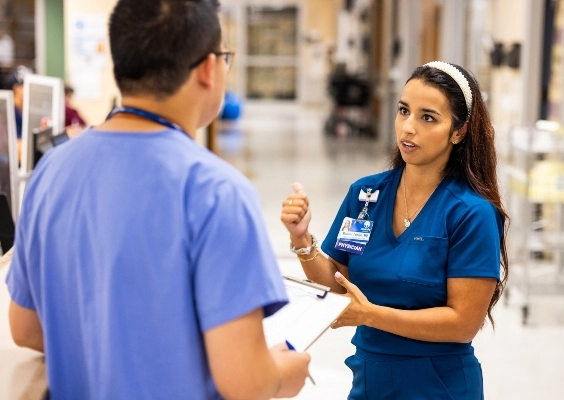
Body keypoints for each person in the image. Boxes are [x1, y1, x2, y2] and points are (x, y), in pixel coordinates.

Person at [6, 1, 310, 399]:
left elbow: (26, 329)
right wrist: (286, 372)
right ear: (206, 69)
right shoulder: (218, 192)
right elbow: (246, 384)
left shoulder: (52, 170)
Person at [281, 61, 509, 399]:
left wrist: (371, 315)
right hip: (370, 380)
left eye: (427, 117)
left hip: (438, 385)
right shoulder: (366, 196)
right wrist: (301, 238)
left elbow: (463, 324)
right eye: (404, 111)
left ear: (459, 132)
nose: (408, 128)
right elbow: (338, 281)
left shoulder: (470, 214)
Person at [4, 65, 31, 160]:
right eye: (27, 85)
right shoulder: (7, 113)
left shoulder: (26, 111)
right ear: (17, 88)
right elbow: (16, 151)